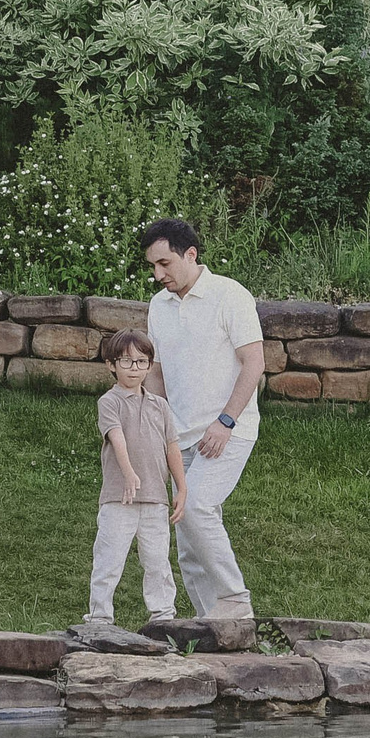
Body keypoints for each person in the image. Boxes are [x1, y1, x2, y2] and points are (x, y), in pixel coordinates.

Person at [139, 217, 264, 619]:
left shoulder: (230, 295)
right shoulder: (158, 306)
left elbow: (254, 363)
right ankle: (212, 626)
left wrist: (225, 421)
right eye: (152, 267)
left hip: (227, 430)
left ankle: (235, 602)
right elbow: (155, 370)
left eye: (165, 264)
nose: (158, 275)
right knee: (188, 543)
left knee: (196, 509)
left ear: (190, 254)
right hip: (181, 434)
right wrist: (159, 428)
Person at [88, 328, 187, 626]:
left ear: (149, 365)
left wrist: (181, 487)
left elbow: (172, 448)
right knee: (109, 559)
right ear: (111, 365)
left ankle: (163, 617)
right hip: (120, 498)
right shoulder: (110, 402)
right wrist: (129, 473)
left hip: (155, 498)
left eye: (142, 362)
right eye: (127, 362)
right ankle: (99, 618)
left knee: (157, 562)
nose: (135, 368)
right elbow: (116, 437)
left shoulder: (160, 405)